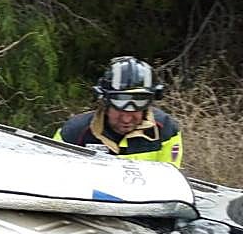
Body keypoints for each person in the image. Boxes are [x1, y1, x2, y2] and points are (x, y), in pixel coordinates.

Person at [55, 56, 183, 167]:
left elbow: (168, 182)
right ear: (104, 104)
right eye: (118, 108)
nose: (126, 119)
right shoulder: (73, 133)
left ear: (148, 105)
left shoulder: (166, 131)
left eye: (137, 107)